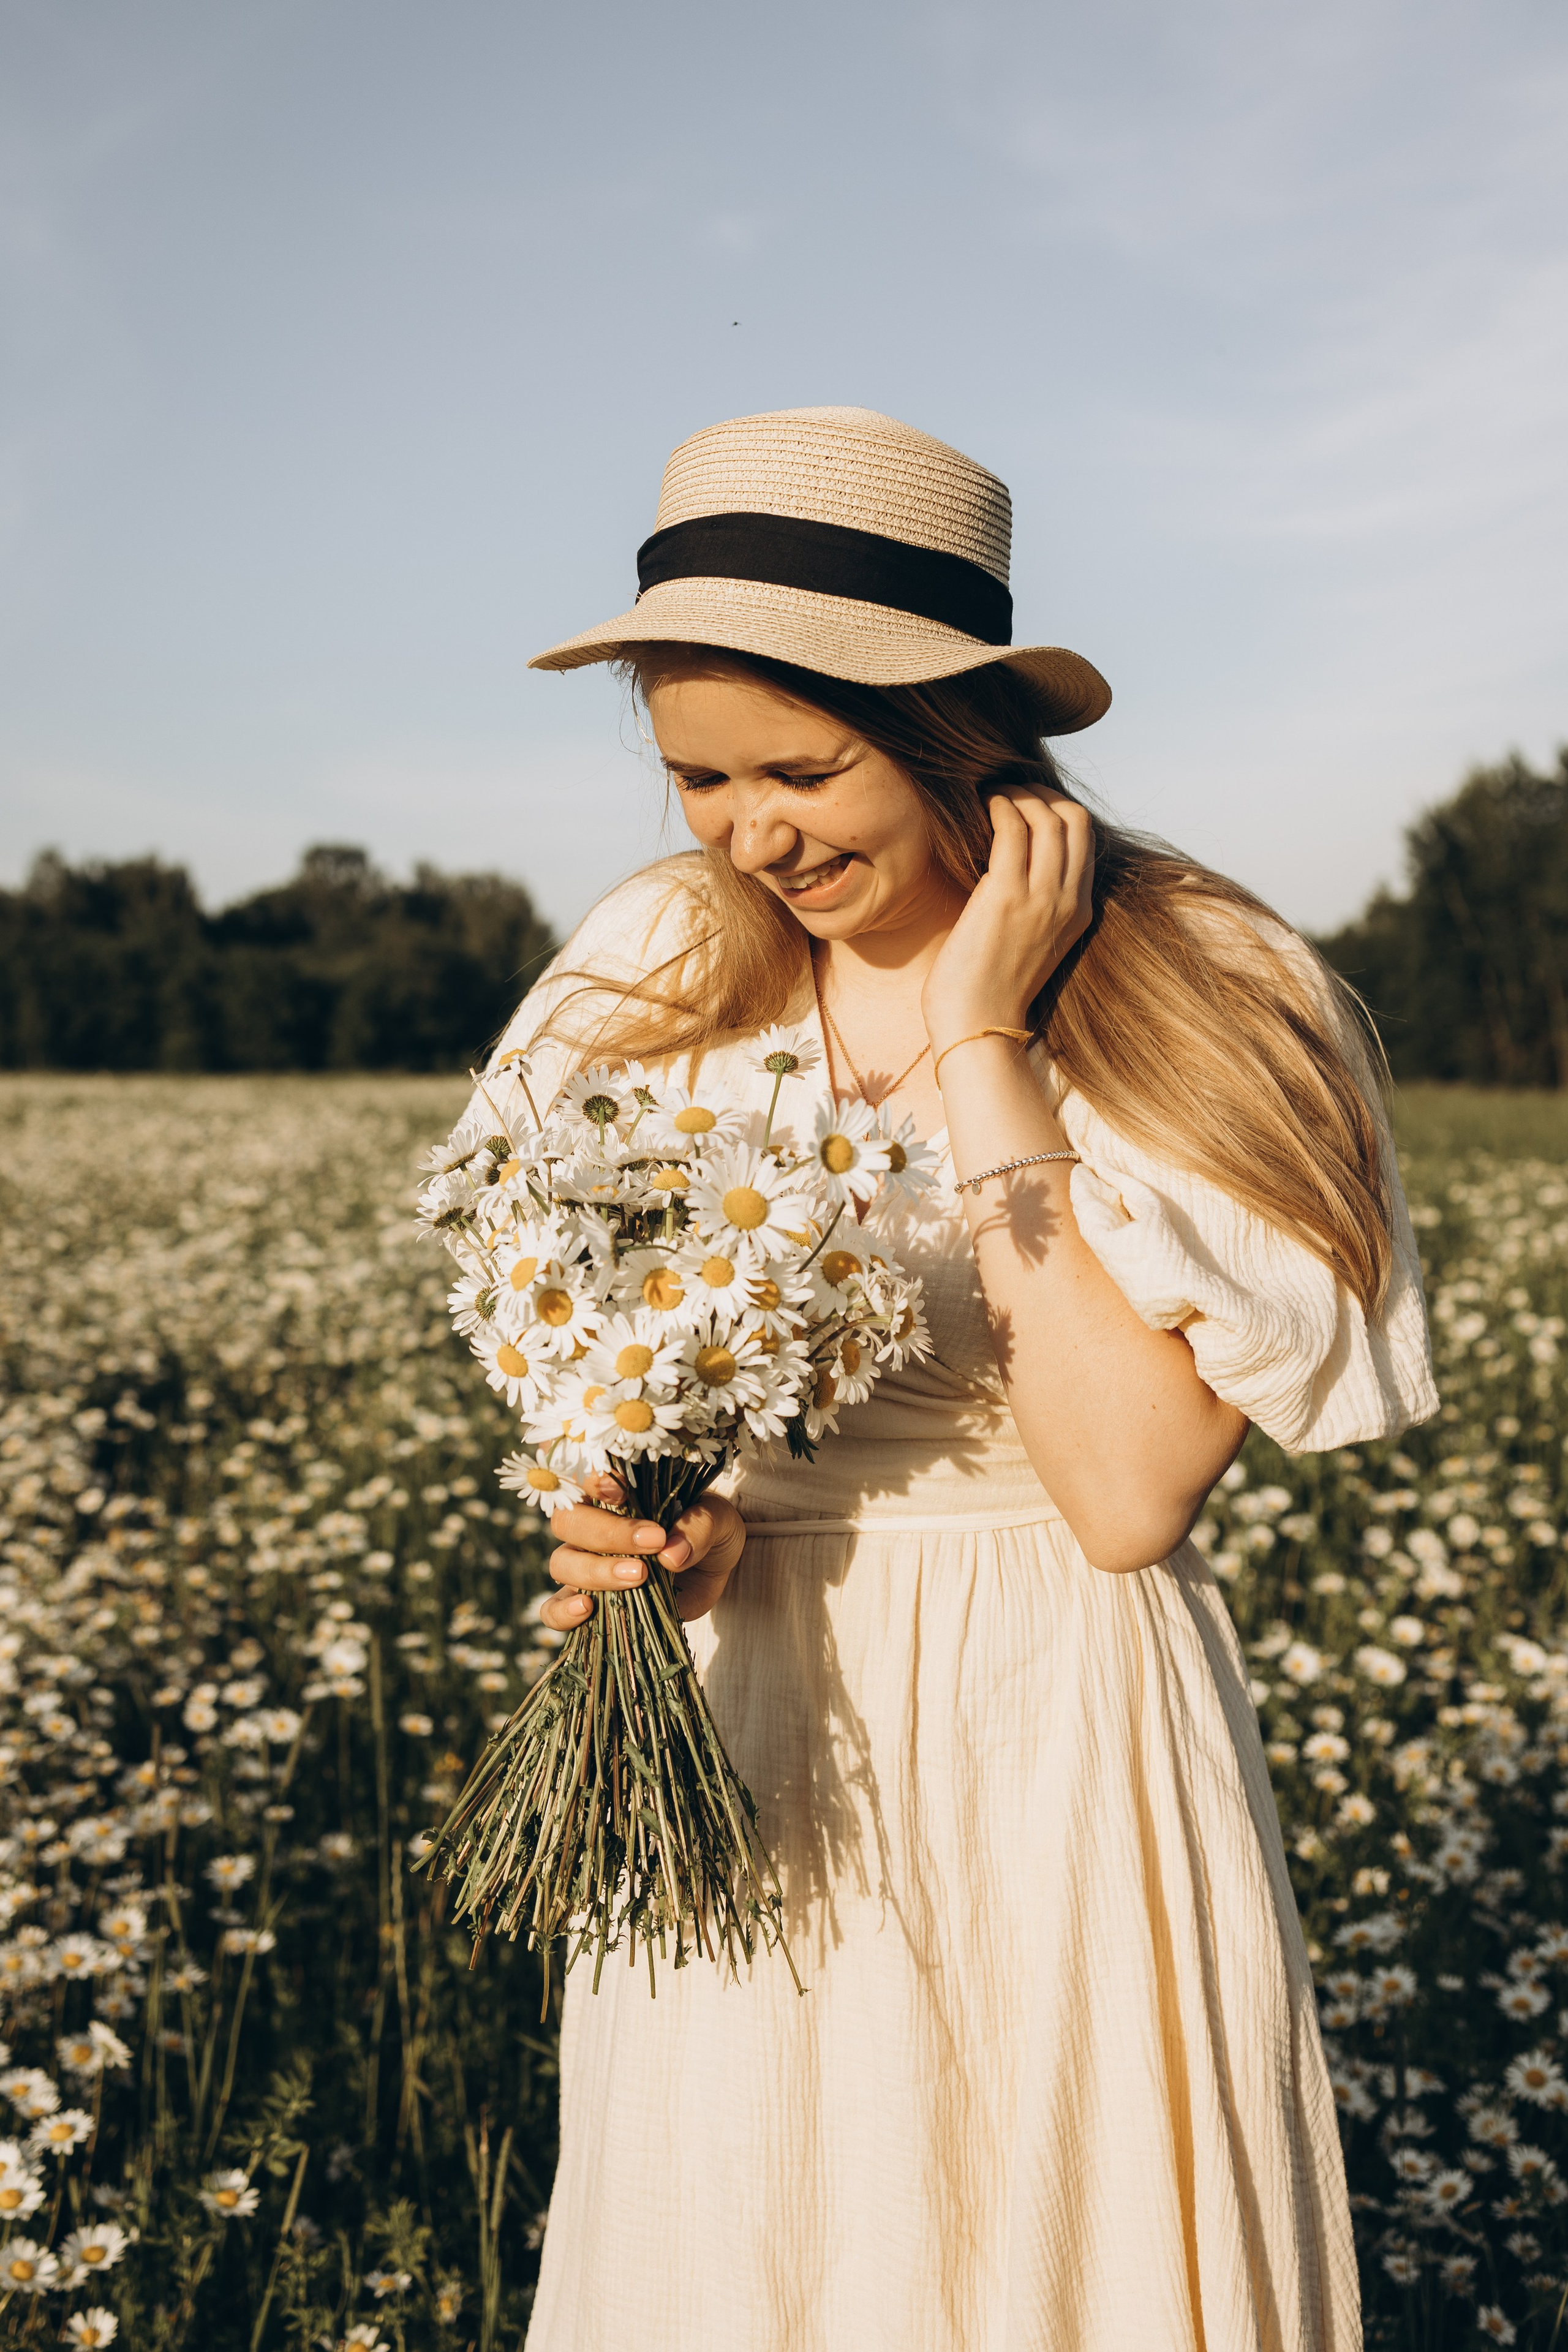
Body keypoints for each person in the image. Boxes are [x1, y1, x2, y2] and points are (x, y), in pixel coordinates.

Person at [483, 407, 1435, 2350]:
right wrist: (660, 1532)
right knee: (745, 2243)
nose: (749, 831)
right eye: (697, 776)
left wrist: (993, 1046)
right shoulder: (659, 963)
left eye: (801, 768)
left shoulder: (1199, 985)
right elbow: (589, 1352)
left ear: (955, 730)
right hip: (749, 1722)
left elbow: (1124, 1498)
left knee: (1045, 2243)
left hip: (1054, 1725)